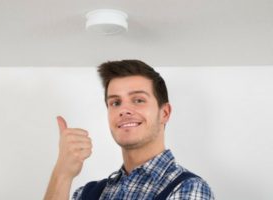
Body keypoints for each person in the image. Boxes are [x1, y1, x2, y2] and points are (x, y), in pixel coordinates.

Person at [44, 60, 215, 200]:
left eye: (138, 100)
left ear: (164, 113)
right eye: (115, 103)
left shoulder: (190, 188)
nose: (123, 110)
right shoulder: (88, 194)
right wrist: (62, 173)